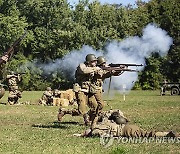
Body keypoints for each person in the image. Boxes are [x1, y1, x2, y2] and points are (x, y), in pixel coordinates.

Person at [74, 109, 179, 138]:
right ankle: (167, 134)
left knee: (147, 135)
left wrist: (83, 135)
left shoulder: (98, 130)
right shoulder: (106, 121)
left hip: (125, 131)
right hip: (128, 127)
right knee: (146, 133)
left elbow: (95, 131)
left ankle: (167, 134)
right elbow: (115, 112)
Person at [58, 54, 100, 125]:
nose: (95, 63)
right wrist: (96, 68)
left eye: (95, 61)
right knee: (82, 107)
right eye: (93, 61)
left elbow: (104, 74)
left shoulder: (94, 68)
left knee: (95, 106)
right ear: (88, 61)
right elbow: (84, 71)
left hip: (89, 90)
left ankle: (65, 111)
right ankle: (87, 120)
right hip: (80, 89)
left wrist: (113, 71)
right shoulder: (82, 66)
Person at [89, 56, 125, 129]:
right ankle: (93, 120)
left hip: (98, 90)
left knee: (96, 107)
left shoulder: (102, 69)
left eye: (105, 63)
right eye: (103, 64)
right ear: (99, 65)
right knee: (99, 105)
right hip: (92, 90)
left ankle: (91, 118)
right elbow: (102, 73)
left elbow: (113, 73)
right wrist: (110, 70)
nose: (105, 65)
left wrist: (119, 69)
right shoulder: (96, 70)